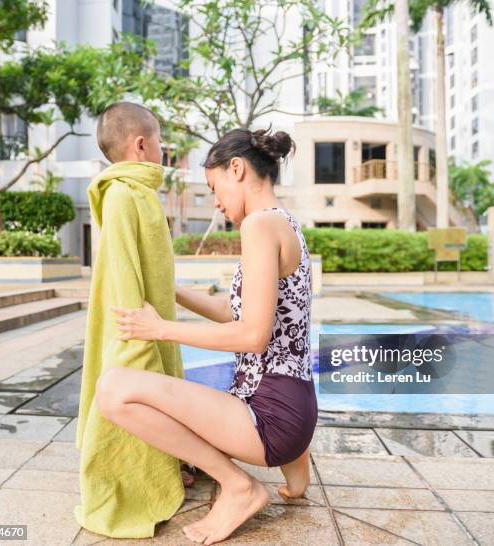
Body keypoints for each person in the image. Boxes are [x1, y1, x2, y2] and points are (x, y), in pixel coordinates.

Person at [97, 126, 317, 545]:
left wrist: (159, 328)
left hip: (268, 418)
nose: (215, 201)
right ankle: (296, 465)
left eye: (214, 187)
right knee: (179, 409)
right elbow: (230, 312)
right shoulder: (284, 222)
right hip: (296, 408)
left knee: (113, 390)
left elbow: (253, 335)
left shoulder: (258, 226)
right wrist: (167, 289)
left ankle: (239, 487)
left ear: (237, 169)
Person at [74, 101, 192, 539]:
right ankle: (130, 482)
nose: (163, 151)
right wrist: (134, 337)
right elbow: (123, 269)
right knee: (137, 397)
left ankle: (167, 464)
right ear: (141, 144)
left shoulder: (141, 192)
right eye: (160, 142)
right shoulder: (123, 195)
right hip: (136, 326)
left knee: (165, 395)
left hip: (154, 321)